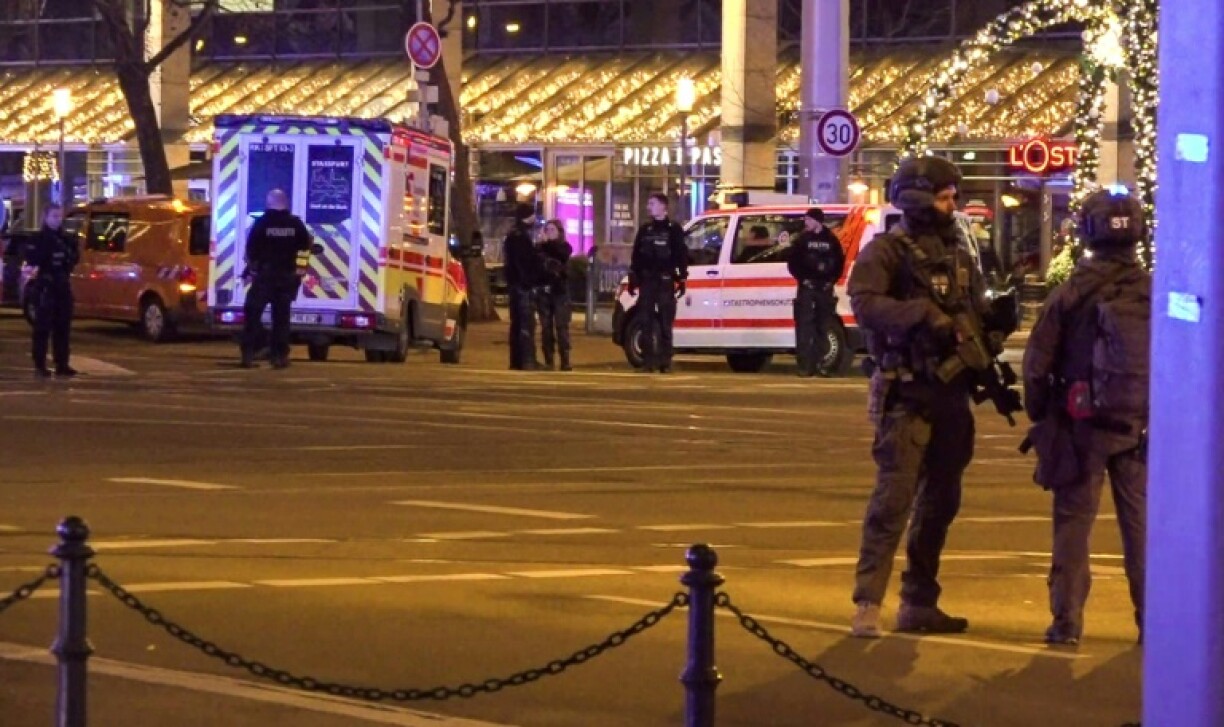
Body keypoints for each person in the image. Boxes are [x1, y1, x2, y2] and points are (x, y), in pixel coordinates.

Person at [847, 156, 1002, 638]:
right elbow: (865, 304)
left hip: (951, 394)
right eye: (944, 196)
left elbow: (972, 306)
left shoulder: (960, 249)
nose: (953, 204)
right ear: (916, 197)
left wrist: (991, 328)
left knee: (942, 502)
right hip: (907, 393)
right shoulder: (887, 252)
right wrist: (920, 315)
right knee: (892, 501)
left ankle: (919, 600)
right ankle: (868, 602)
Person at [1022, 189, 1150, 646]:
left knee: (1074, 526)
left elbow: (1036, 365)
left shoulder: (1071, 293)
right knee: (1140, 529)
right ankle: (1150, 621)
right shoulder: (1154, 289)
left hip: (1082, 426)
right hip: (1139, 427)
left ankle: (1068, 622)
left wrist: (1040, 414)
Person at [241, 189, 312, 369]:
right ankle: (278, 356)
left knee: (252, 312)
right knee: (281, 319)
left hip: (265, 277)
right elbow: (305, 248)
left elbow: (251, 249)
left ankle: (250, 352)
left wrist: (252, 269)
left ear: (269, 203)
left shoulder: (262, 224)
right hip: (286, 277)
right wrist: (300, 270)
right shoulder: (295, 224)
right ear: (285, 203)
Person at [629, 193, 688, 374]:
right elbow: (636, 256)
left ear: (664, 207)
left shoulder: (673, 229)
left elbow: (681, 254)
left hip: (665, 280)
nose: (649, 207)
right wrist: (633, 277)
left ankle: (665, 361)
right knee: (645, 321)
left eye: (652, 203)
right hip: (647, 281)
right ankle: (648, 362)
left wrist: (682, 277)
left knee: (665, 321)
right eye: (648, 203)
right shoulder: (645, 230)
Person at [787, 208, 845, 377]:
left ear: (817, 221)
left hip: (824, 289)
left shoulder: (831, 240)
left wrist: (830, 282)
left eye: (809, 220)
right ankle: (805, 366)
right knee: (804, 328)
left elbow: (838, 263)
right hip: (807, 288)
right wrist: (803, 280)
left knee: (823, 327)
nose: (806, 223)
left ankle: (821, 364)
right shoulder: (802, 240)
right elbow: (793, 263)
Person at [26, 204, 78, 378]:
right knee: (42, 327)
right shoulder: (39, 238)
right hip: (46, 286)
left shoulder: (65, 239)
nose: (57, 220)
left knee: (63, 326)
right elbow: (33, 259)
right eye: (54, 216)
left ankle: (62, 363)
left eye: (59, 216)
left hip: (62, 285)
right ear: (46, 217)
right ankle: (40, 364)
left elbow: (73, 258)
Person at [503, 202, 544, 370]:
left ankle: (516, 360)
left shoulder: (513, 235)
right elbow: (524, 263)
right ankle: (527, 360)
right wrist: (529, 281)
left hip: (515, 285)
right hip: (522, 286)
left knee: (517, 324)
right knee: (526, 324)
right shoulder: (521, 237)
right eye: (532, 215)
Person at [535, 219, 574, 371]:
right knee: (546, 327)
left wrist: (546, 245)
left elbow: (562, 255)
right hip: (544, 292)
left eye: (552, 230)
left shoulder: (564, 247)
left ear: (559, 232)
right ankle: (549, 360)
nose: (549, 233)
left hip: (560, 292)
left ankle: (565, 360)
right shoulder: (540, 248)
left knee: (561, 326)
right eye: (547, 230)